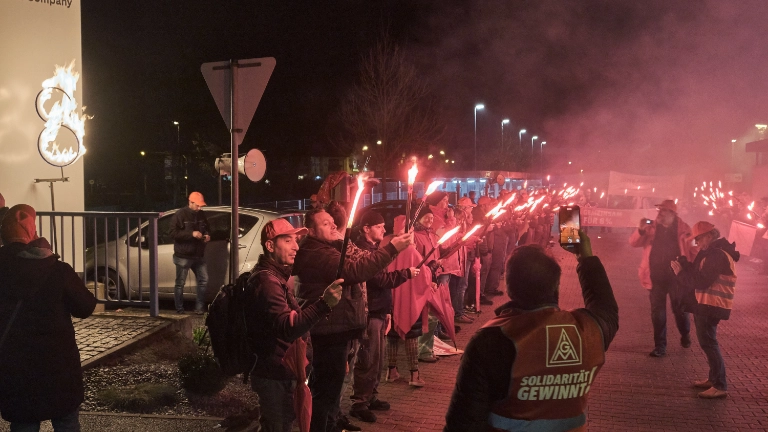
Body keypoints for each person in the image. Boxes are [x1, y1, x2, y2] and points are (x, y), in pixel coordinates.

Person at [444, 231, 619, 431]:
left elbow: (464, 422)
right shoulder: (588, 331)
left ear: (509, 288)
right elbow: (606, 308)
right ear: (556, 285)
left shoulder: (492, 339)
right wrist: (585, 257)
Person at [292, 208, 413, 432]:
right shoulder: (317, 252)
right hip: (328, 331)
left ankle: (330, 425)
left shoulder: (329, 247)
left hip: (337, 327)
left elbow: (360, 260)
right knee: (325, 391)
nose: (334, 227)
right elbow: (356, 270)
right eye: (326, 224)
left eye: (332, 222)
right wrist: (393, 248)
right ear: (311, 231)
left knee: (331, 388)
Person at [0, 204, 97, 431]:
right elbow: (85, 307)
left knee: (23, 422)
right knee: (66, 422)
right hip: (58, 366)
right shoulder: (57, 269)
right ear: (32, 232)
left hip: (14, 366)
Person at [246, 218, 343, 431]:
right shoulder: (267, 281)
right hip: (272, 372)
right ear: (270, 246)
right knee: (277, 426)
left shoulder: (277, 276)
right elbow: (287, 326)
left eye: (296, 240)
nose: (296, 247)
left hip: (282, 370)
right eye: (288, 240)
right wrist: (323, 304)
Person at [349, 210, 418, 423]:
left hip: (379, 309)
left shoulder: (373, 249)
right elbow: (379, 279)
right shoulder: (363, 251)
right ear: (366, 228)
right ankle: (359, 402)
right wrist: (405, 274)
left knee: (377, 359)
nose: (384, 229)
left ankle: (371, 396)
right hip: (370, 312)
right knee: (368, 359)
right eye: (379, 226)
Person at [672, 221, 739, 399]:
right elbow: (697, 275)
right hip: (708, 304)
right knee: (708, 342)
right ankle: (714, 379)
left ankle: (720, 385)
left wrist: (680, 273)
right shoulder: (710, 253)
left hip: (712, 305)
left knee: (709, 343)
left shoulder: (716, 255)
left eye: (699, 239)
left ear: (709, 236)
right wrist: (685, 266)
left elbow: (701, 281)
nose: (697, 243)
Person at [629, 199, 695, 357]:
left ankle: (685, 334)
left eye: (663, 211)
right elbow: (633, 243)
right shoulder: (651, 228)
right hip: (655, 276)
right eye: (658, 211)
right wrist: (640, 230)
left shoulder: (684, 229)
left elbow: (692, 250)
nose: (659, 214)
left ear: (672, 213)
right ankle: (660, 346)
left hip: (676, 277)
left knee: (679, 310)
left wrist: (690, 269)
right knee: (657, 313)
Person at [170, 191, 211, 314]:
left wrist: (207, 235)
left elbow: (208, 228)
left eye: (200, 205)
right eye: (197, 205)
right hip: (183, 255)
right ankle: (179, 309)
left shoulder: (201, 214)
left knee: (204, 279)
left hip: (198, 254)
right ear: (190, 202)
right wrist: (191, 234)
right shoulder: (180, 215)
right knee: (180, 283)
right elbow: (172, 233)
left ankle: (199, 308)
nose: (199, 208)